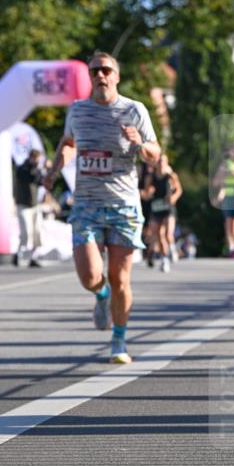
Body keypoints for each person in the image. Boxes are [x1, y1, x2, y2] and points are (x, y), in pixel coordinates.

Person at [44, 51, 160, 364]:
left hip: (123, 206)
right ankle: (101, 295)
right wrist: (53, 172)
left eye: (107, 70)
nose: (101, 76)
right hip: (87, 206)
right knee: (90, 275)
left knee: (121, 278)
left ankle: (119, 340)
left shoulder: (134, 110)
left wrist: (139, 143)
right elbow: (68, 143)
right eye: (95, 71)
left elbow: (155, 154)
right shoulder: (78, 111)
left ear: (117, 76)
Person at [143, 153, 182, 272]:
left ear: (167, 163)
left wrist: (173, 198)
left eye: (163, 162)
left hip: (168, 207)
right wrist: (148, 193)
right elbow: (146, 192)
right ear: (156, 163)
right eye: (159, 162)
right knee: (158, 235)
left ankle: (172, 248)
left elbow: (179, 190)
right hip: (156, 207)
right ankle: (164, 259)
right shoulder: (151, 177)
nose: (161, 164)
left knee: (168, 233)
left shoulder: (171, 176)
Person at [14, 149, 44, 268]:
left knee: (38, 232)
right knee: (26, 232)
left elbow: (41, 181)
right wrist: (37, 169)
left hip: (35, 205)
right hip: (23, 205)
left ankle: (33, 257)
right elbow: (30, 177)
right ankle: (18, 254)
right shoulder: (22, 169)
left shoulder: (37, 170)